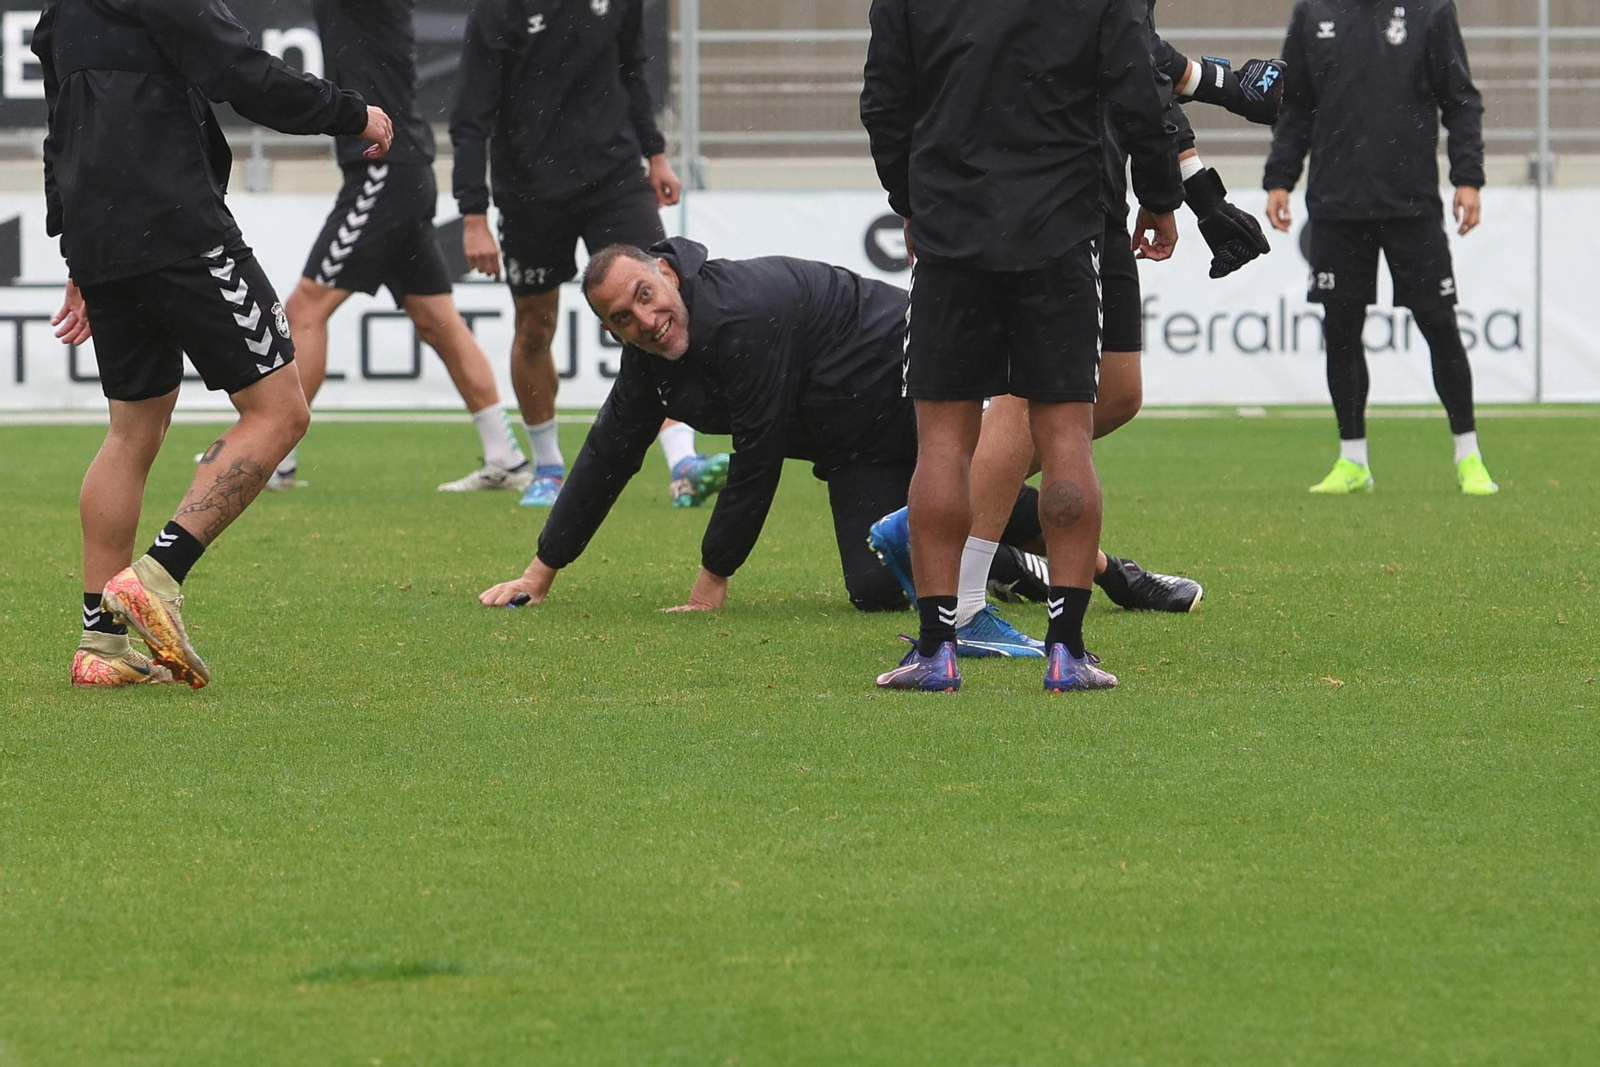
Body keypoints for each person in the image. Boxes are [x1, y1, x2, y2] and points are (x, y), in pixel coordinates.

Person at [866, 6, 1285, 647]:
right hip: (1066, 198)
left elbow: (1135, 61)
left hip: (1060, 190)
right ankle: (977, 598)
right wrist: (1211, 90)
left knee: (1115, 393)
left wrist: (1194, 184)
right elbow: (1138, 66)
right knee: (1043, 410)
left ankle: (957, 534)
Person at [37, 0, 392, 688]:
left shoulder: (60, 10)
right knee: (280, 412)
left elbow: (62, 130)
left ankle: (100, 644)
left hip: (99, 234)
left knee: (132, 429)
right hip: (175, 226)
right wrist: (353, 114)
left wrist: (76, 254)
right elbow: (243, 73)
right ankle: (158, 575)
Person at [477, 239, 1054, 625]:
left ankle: (1083, 569)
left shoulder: (742, 315)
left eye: (645, 296)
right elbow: (608, 456)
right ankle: (1036, 566)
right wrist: (541, 571)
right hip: (854, 445)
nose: (646, 322)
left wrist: (710, 583)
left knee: (952, 493)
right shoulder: (646, 366)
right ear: (611, 331)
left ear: (668, 275)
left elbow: (759, 457)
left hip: (916, 387)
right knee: (875, 591)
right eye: (622, 319)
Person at [449, 0, 725, 508]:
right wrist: (473, 213)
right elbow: (471, 113)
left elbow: (632, 71)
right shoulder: (498, 9)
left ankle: (683, 461)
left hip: (616, 178)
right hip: (530, 191)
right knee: (535, 325)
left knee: (660, 305)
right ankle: (548, 468)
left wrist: (656, 154)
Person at [279, 0, 530, 494]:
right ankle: (506, 455)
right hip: (402, 170)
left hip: (383, 171)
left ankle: (272, 453)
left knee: (305, 308)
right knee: (440, 324)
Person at [1265, 0, 1495, 495]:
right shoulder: (1314, 11)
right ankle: (1353, 460)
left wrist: (1468, 178)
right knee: (1341, 331)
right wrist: (1279, 178)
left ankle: (1468, 454)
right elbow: (1296, 102)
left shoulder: (1430, 9)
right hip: (1335, 205)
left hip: (1410, 203)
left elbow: (1460, 99)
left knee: (1438, 322)